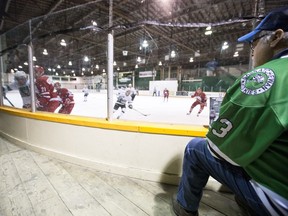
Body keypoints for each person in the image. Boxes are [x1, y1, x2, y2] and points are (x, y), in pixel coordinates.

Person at [172, 6, 288, 216]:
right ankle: (246, 200)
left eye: (254, 42)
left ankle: (184, 207)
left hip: (279, 201)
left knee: (195, 149)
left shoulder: (267, 76)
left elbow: (220, 150)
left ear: (276, 37)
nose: (252, 50)